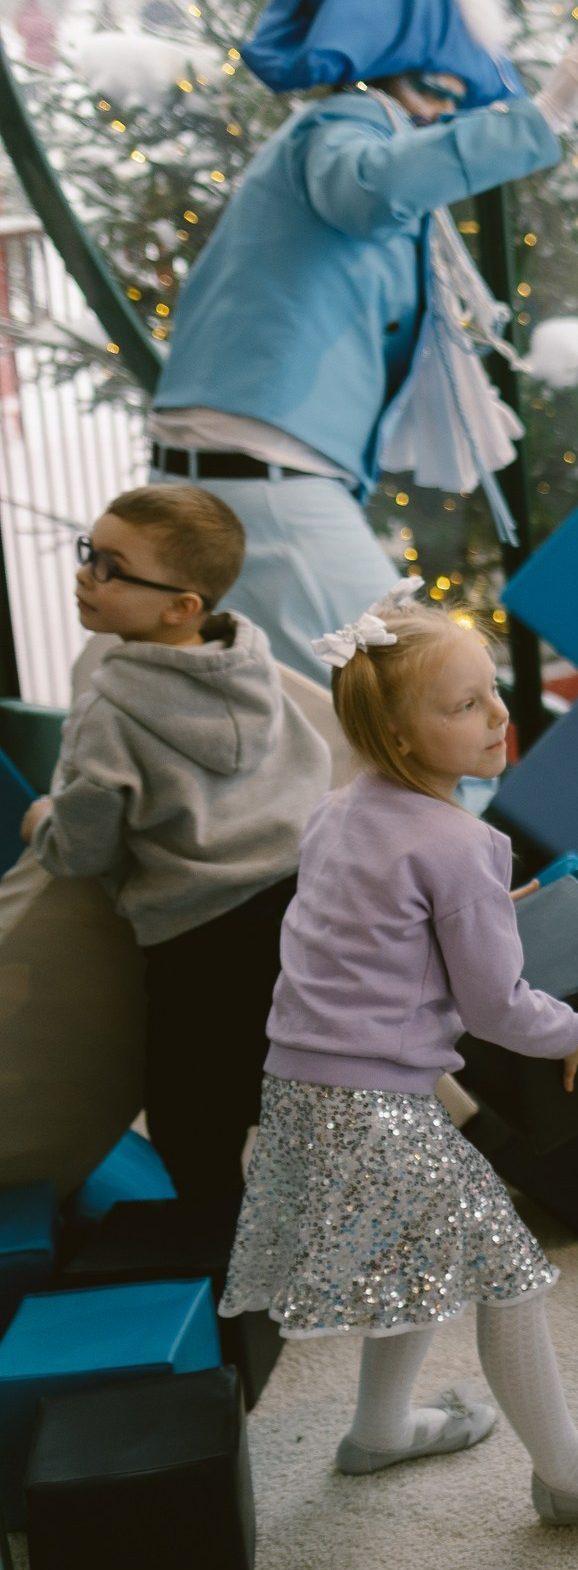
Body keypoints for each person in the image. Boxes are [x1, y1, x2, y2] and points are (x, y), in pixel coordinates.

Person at [221, 591, 578, 1526]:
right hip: (375, 1103)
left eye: (493, 693)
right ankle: (574, 1475)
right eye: (465, 705)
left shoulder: (337, 812)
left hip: (301, 1087)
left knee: (424, 1255)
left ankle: (380, 1429)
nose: (499, 716)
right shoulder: (463, 844)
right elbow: (496, 1008)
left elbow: (370, 928)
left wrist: (472, 914)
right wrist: (576, 1033)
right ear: (401, 739)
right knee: (506, 1269)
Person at [150, 0, 578, 678]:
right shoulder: (343, 125)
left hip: (239, 464)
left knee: (296, 716)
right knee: (409, 694)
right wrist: (545, 111)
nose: (443, 108)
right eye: (434, 85)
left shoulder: (340, 132)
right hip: (264, 473)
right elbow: (371, 190)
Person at [19, 486, 328, 1229]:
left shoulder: (109, 707)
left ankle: (226, 1259)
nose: (87, 574)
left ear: (180, 606)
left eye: (113, 566)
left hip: (203, 934)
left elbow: (84, 847)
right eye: (89, 552)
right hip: (307, 899)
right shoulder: (249, 659)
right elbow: (309, 757)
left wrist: (40, 822)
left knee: (191, 1113)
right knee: (306, 1072)